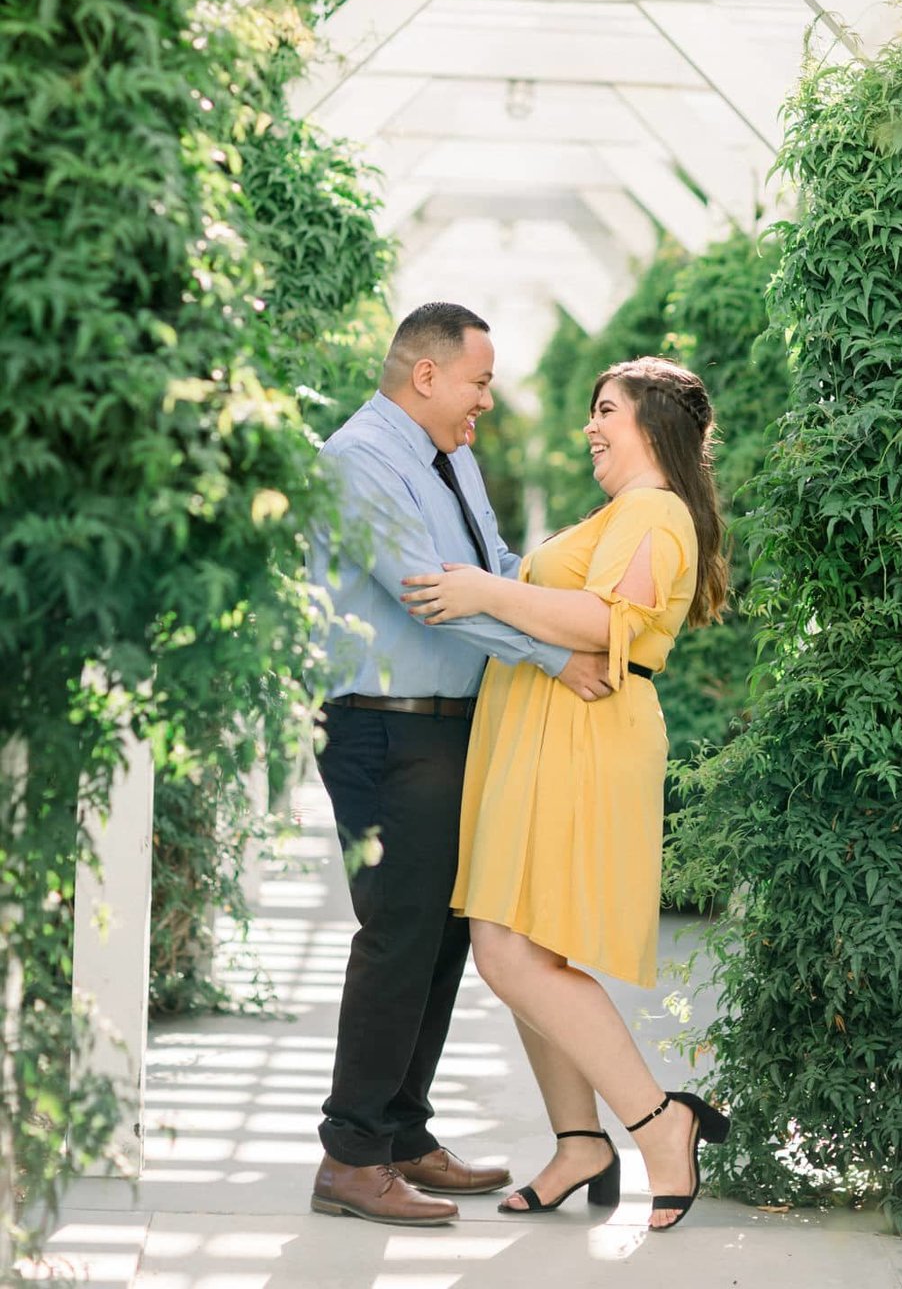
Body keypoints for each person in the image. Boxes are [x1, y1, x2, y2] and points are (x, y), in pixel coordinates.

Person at [402, 355, 731, 1232]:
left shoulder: (656, 513)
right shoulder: (629, 511)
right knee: (528, 948)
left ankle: (662, 1125)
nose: (591, 425)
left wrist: (483, 591)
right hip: (550, 731)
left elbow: (601, 624)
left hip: (584, 735)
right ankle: (580, 1142)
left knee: (508, 950)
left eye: (607, 410)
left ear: (654, 424)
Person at [307, 302, 612, 1228]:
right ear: (426, 374)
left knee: (441, 935)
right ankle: (350, 1157)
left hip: (449, 727)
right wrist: (559, 655)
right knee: (399, 932)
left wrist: (578, 605)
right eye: (478, 381)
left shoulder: (454, 456)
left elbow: (493, 567)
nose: (487, 399)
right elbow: (430, 596)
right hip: (381, 726)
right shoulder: (358, 459)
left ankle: (401, 1134)